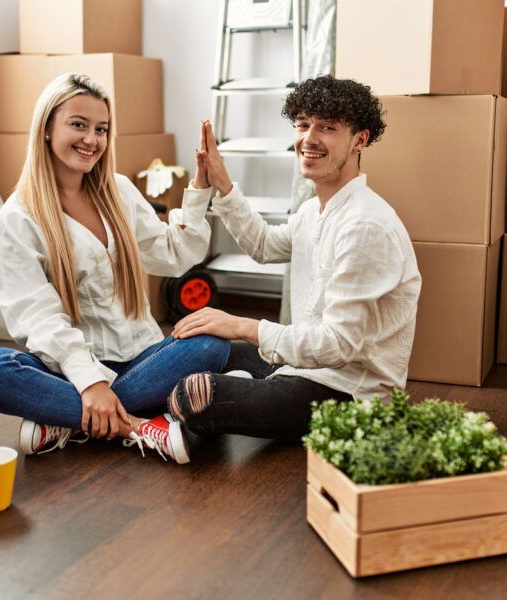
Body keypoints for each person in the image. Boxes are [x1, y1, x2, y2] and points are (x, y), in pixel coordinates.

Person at [0, 73, 230, 464]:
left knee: (212, 343)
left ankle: (65, 420)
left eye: (101, 129)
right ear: (48, 129)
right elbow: (37, 316)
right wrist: (89, 382)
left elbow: (173, 253)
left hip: (142, 358)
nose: (92, 139)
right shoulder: (18, 217)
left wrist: (201, 186)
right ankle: (136, 427)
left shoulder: (117, 190)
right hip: (69, 368)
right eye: (78, 125)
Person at [169, 75, 421, 441]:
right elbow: (264, 245)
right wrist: (222, 184)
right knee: (197, 347)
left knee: (195, 394)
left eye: (328, 127)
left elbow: (338, 345)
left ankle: (171, 419)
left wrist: (242, 326)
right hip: (303, 365)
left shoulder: (365, 225)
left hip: (349, 392)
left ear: (360, 139)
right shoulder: (314, 210)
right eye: (303, 125)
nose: (309, 138)